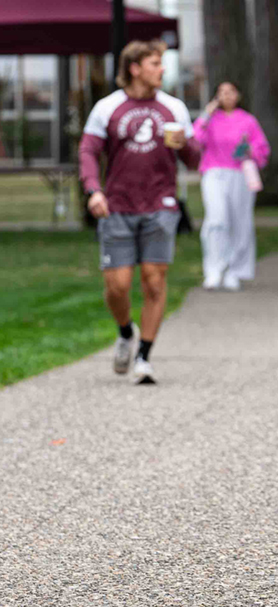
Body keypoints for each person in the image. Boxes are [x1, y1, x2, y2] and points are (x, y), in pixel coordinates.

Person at [79, 39, 200, 385]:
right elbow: (88, 151)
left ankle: (144, 357)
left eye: (161, 64)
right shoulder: (108, 107)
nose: (161, 70)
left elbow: (195, 159)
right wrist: (93, 190)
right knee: (117, 286)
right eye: (154, 64)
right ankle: (125, 332)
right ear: (134, 68)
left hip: (161, 205)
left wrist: (185, 144)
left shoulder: (173, 108)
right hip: (116, 205)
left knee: (154, 279)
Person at [193, 81, 270, 291]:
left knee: (240, 222)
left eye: (230, 92)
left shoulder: (248, 120)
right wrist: (206, 114)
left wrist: (249, 150)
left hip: (240, 173)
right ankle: (214, 269)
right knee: (216, 219)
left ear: (238, 95)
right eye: (221, 92)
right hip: (214, 172)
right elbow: (195, 140)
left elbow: (262, 148)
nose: (226, 96)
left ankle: (234, 270)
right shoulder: (211, 120)